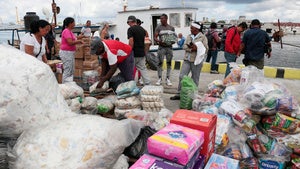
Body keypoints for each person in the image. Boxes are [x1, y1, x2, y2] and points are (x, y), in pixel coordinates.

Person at [170, 22, 208, 100]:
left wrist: (197, 48)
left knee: (195, 78)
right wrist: (191, 49)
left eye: (192, 28)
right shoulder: (189, 36)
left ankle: (193, 95)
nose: (190, 29)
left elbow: (206, 49)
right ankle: (179, 93)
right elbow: (184, 46)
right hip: (187, 59)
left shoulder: (203, 37)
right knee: (182, 76)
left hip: (196, 61)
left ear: (196, 29)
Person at [127, 15, 151, 85]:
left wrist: (129, 51)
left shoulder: (130, 29)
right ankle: (147, 83)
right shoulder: (142, 29)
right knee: (143, 68)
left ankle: (131, 85)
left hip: (134, 53)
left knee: (130, 70)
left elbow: (131, 41)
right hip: (141, 52)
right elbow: (146, 39)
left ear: (131, 21)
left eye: (128, 22)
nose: (128, 24)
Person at [154, 13, 176, 86]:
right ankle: (159, 78)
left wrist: (173, 41)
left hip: (169, 48)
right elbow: (155, 37)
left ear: (166, 19)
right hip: (161, 48)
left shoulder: (171, 28)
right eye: (160, 18)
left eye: (162, 18)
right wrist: (159, 41)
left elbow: (174, 38)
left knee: (169, 63)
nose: (161, 20)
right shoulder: (158, 27)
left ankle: (168, 79)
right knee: (160, 63)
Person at [59, 17, 83, 83]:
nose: (75, 24)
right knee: (68, 69)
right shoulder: (66, 31)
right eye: (74, 22)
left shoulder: (69, 31)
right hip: (66, 53)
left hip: (70, 53)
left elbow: (74, 38)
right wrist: (79, 41)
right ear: (70, 23)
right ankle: (65, 86)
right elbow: (70, 42)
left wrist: (81, 37)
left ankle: (69, 84)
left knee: (71, 70)